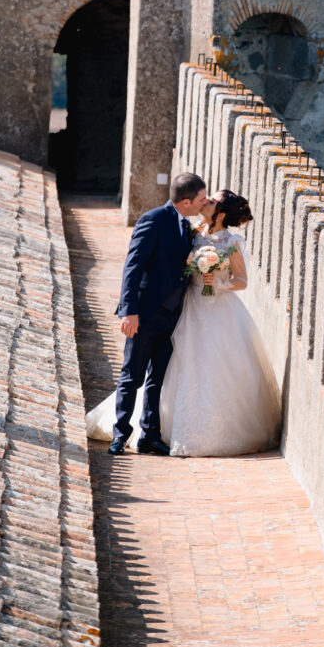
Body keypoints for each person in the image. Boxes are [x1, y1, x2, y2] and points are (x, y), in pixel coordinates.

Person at [86, 189, 282, 457]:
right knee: (168, 370)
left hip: (218, 312)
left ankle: (199, 431)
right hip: (186, 308)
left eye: (211, 201)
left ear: (221, 213)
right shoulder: (193, 232)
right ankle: (147, 430)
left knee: (211, 367)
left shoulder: (231, 241)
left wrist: (220, 282)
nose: (206, 202)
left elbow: (242, 280)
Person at [105, 172, 207, 456]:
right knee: (131, 376)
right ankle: (120, 434)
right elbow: (133, 267)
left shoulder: (188, 227)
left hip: (173, 316)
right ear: (186, 201)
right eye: (201, 199)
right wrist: (129, 312)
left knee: (157, 378)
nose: (205, 203)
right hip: (145, 314)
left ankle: (149, 435)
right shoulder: (152, 220)